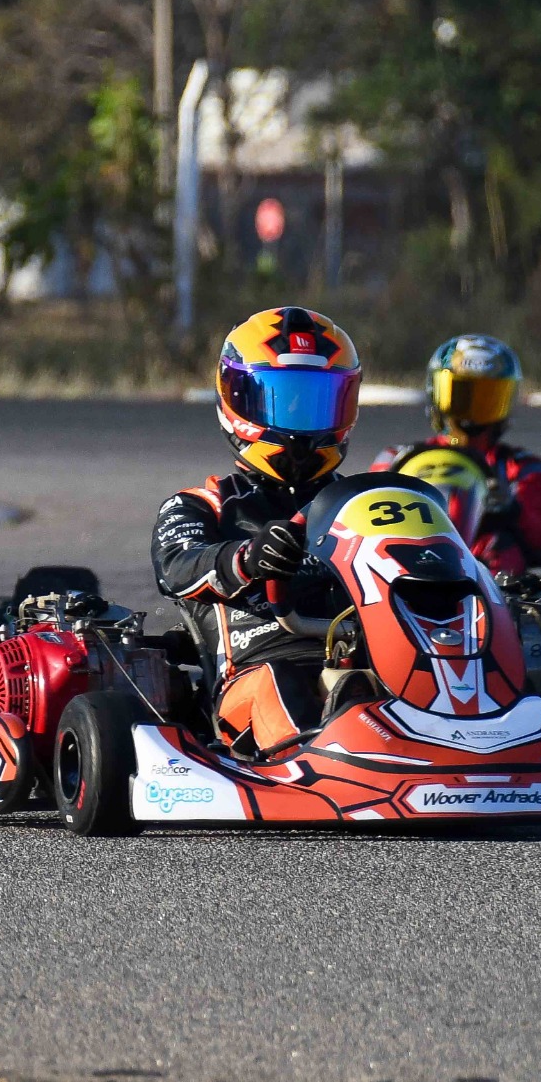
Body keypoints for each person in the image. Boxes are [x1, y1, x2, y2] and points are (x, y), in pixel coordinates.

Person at [152, 306, 363, 755]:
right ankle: (318, 761)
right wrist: (247, 558)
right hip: (257, 671)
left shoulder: (360, 503)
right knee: (279, 681)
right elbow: (177, 567)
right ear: (238, 401)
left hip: (363, 655)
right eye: (285, 401)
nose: (303, 425)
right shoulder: (203, 505)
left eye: (320, 402)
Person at [368, 333, 541, 575]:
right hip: (407, 561)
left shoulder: (524, 469)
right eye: (461, 396)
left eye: (487, 400)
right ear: (436, 393)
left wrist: (510, 508)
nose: (472, 414)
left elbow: (538, 537)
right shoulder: (395, 460)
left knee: (501, 546)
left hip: (482, 573)